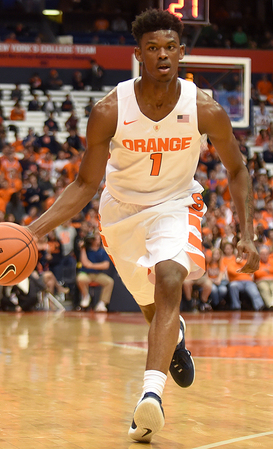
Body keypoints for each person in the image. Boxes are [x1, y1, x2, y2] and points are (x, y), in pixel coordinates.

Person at [28, 9, 259, 443]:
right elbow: (84, 184)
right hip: (122, 213)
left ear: (183, 52)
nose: (163, 55)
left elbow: (238, 168)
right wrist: (32, 231)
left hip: (175, 204)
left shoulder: (204, 108)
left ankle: (150, 398)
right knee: (152, 307)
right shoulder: (110, 109)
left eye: (170, 47)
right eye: (152, 48)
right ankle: (176, 337)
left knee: (170, 277)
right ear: (138, 55)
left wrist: (246, 233)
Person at [77, 230, 114, 311]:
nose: (94, 240)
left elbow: (106, 265)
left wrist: (92, 265)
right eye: (93, 238)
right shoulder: (86, 249)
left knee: (109, 282)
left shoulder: (102, 251)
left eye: (96, 238)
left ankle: (102, 303)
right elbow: (84, 263)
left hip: (97, 275)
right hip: (86, 274)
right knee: (80, 279)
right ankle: (86, 295)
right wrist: (82, 248)